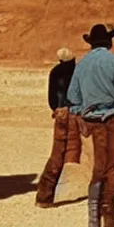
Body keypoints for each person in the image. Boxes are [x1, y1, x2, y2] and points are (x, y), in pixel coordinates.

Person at [68, 24, 114, 227]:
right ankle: (110, 219)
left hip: (91, 119)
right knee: (112, 166)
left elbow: (73, 95)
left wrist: (80, 114)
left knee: (98, 166)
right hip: (112, 118)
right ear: (109, 42)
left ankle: (93, 221)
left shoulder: (82, 64)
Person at [35, 48, 83, 208]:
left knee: (57, 154)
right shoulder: (77, 72)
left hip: (61, 114)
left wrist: (56, 110)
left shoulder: (55, 72)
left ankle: (44, 196)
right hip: (77, 113)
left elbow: (51, 97)